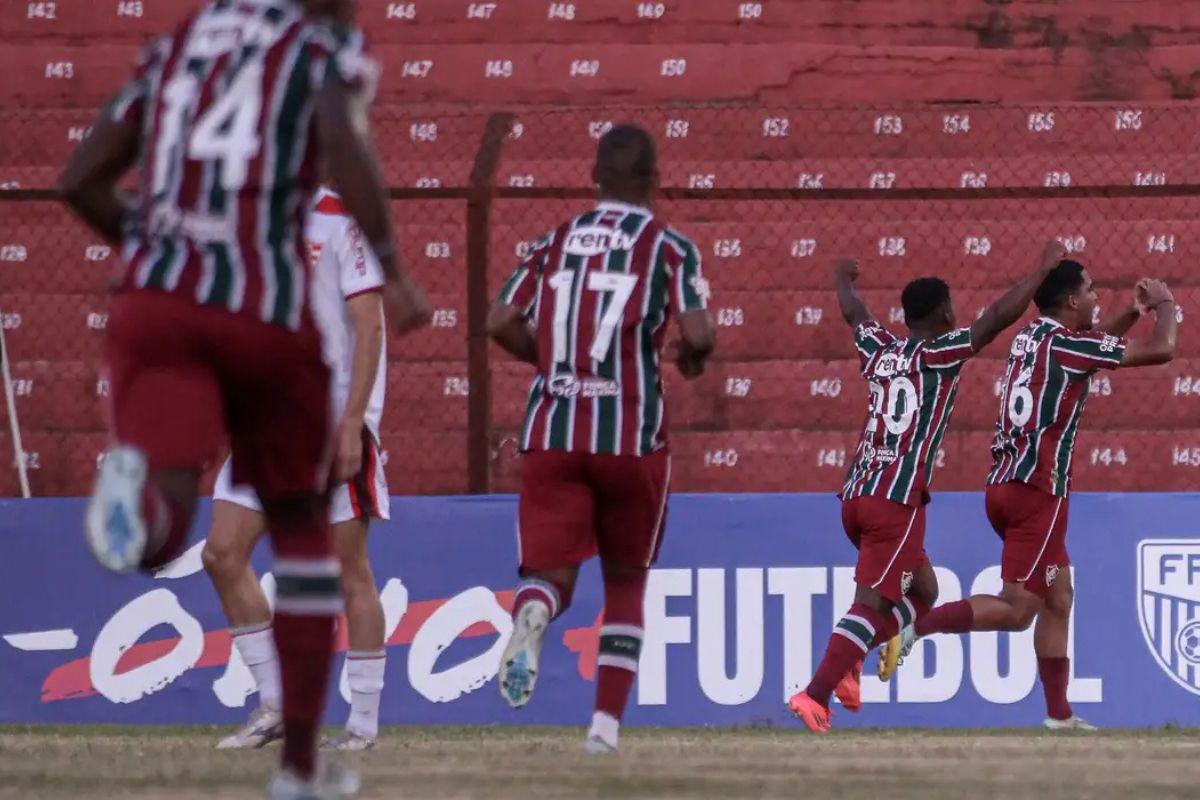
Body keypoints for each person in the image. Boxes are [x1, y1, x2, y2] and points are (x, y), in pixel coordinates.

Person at [59, 1, 430, 796]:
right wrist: (398, 266)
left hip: (183, 315)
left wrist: (356, 422)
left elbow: (80, 178)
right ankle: (289, 740)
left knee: (337, 565)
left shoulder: (179, 47)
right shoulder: (314, 58)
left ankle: (361, 719)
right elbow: (346, 136)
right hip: (272, 355)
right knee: (245, 554)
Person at [486, 123, 716, 753]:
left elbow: (499, 319)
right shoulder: (670, 248)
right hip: (630, 438)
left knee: (547, 574)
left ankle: (534, 610)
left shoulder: (553, 241)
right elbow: (699, 333)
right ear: (655, 179)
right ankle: (603, 730)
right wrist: (692, 358)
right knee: (625, 583)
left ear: (593, 176)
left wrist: (551, 360)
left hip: (553, 429)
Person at [788, 241, 1068, 732]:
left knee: (925, 591)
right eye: (952, 306)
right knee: (869, 604)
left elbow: (856, 314)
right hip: (893, 500)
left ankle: (851, 659)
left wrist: (842, 279)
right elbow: (995, 319)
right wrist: (1041, 268)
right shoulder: (939, 354)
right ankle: (815, 693)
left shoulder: (880, 349)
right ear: (944, 313)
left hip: (857, 492)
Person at [887, 263, 1177, 730]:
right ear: (1072, 301)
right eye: (1090, 289)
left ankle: (1059, 716)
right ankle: (919, 626)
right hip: (1039, 492)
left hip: (1005, 484)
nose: (1096, 296)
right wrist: (1164, 304)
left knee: (1059, 594)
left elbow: (1093, 345)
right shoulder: (1068, 346)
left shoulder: (1032, 338)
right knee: (1018, 610)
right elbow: (1162, 350)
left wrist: (1132, 312)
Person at [204, 187, 391, 753]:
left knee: (348, 571)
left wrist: (354, 421)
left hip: (330, 423)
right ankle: (277, 705)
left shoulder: (338, 219)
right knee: (222, 554)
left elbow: (369, 327)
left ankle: (362, 724)